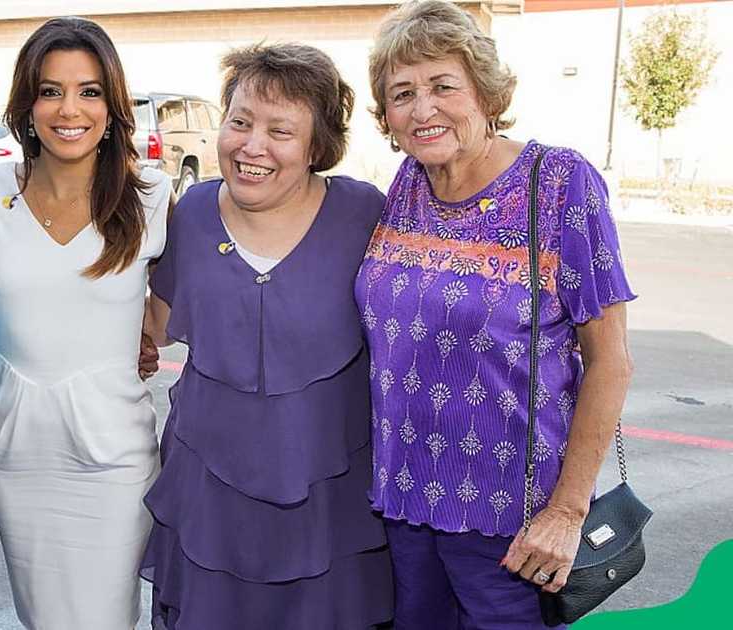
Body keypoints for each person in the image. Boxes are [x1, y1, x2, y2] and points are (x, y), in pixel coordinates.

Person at [356, 1, 636, 628]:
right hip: (402, 502)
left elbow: (610, 362)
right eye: (402, 94)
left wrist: (567, 512)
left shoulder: (558, 183)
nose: (422, 109)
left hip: (514, 520)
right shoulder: (408, 184)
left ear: (485, 93)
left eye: (442, 86)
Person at [140, 43, 394, 629]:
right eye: (240, 122)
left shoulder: (364, 215)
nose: (252, 146)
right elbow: (154, 323)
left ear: (316, 146)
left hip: (329, 494)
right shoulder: (191, 213)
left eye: (280, 131)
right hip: (210, 490)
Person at [0, 17, 173, 630]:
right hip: (17, 453)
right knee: (43, 618)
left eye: (89, 91)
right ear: (27, 104)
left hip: (112, 456)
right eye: (50, 91)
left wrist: (141, 337)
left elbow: (171, 314)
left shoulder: (152, 196)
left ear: (112, 108)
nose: (70, 109)